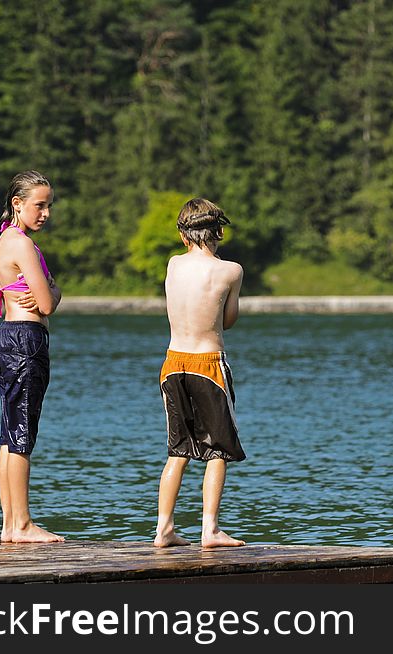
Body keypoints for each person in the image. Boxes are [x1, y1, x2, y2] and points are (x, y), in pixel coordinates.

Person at [154, 197, 246, 548]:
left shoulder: (173, 264)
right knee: (218, 450)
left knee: (178, 450)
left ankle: (164, 529)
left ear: (183, 236)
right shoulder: (230, 271)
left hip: (173, 363)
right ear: (219, 232)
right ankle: (210, 529)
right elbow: (229, 320)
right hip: (209, 364)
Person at [0, 170, 64, 543]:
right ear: (17, 203)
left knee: (9, 433)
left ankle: (10, 524)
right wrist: (52, 288)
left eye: (49, 205)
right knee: (21, 433)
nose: (46, 212)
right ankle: (21, 524)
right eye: (39, 205)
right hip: (26, 339)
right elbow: (48, 302)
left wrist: (50, 290)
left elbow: (48, 295)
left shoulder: (7, 239)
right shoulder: (20, 244)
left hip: (9, 337)